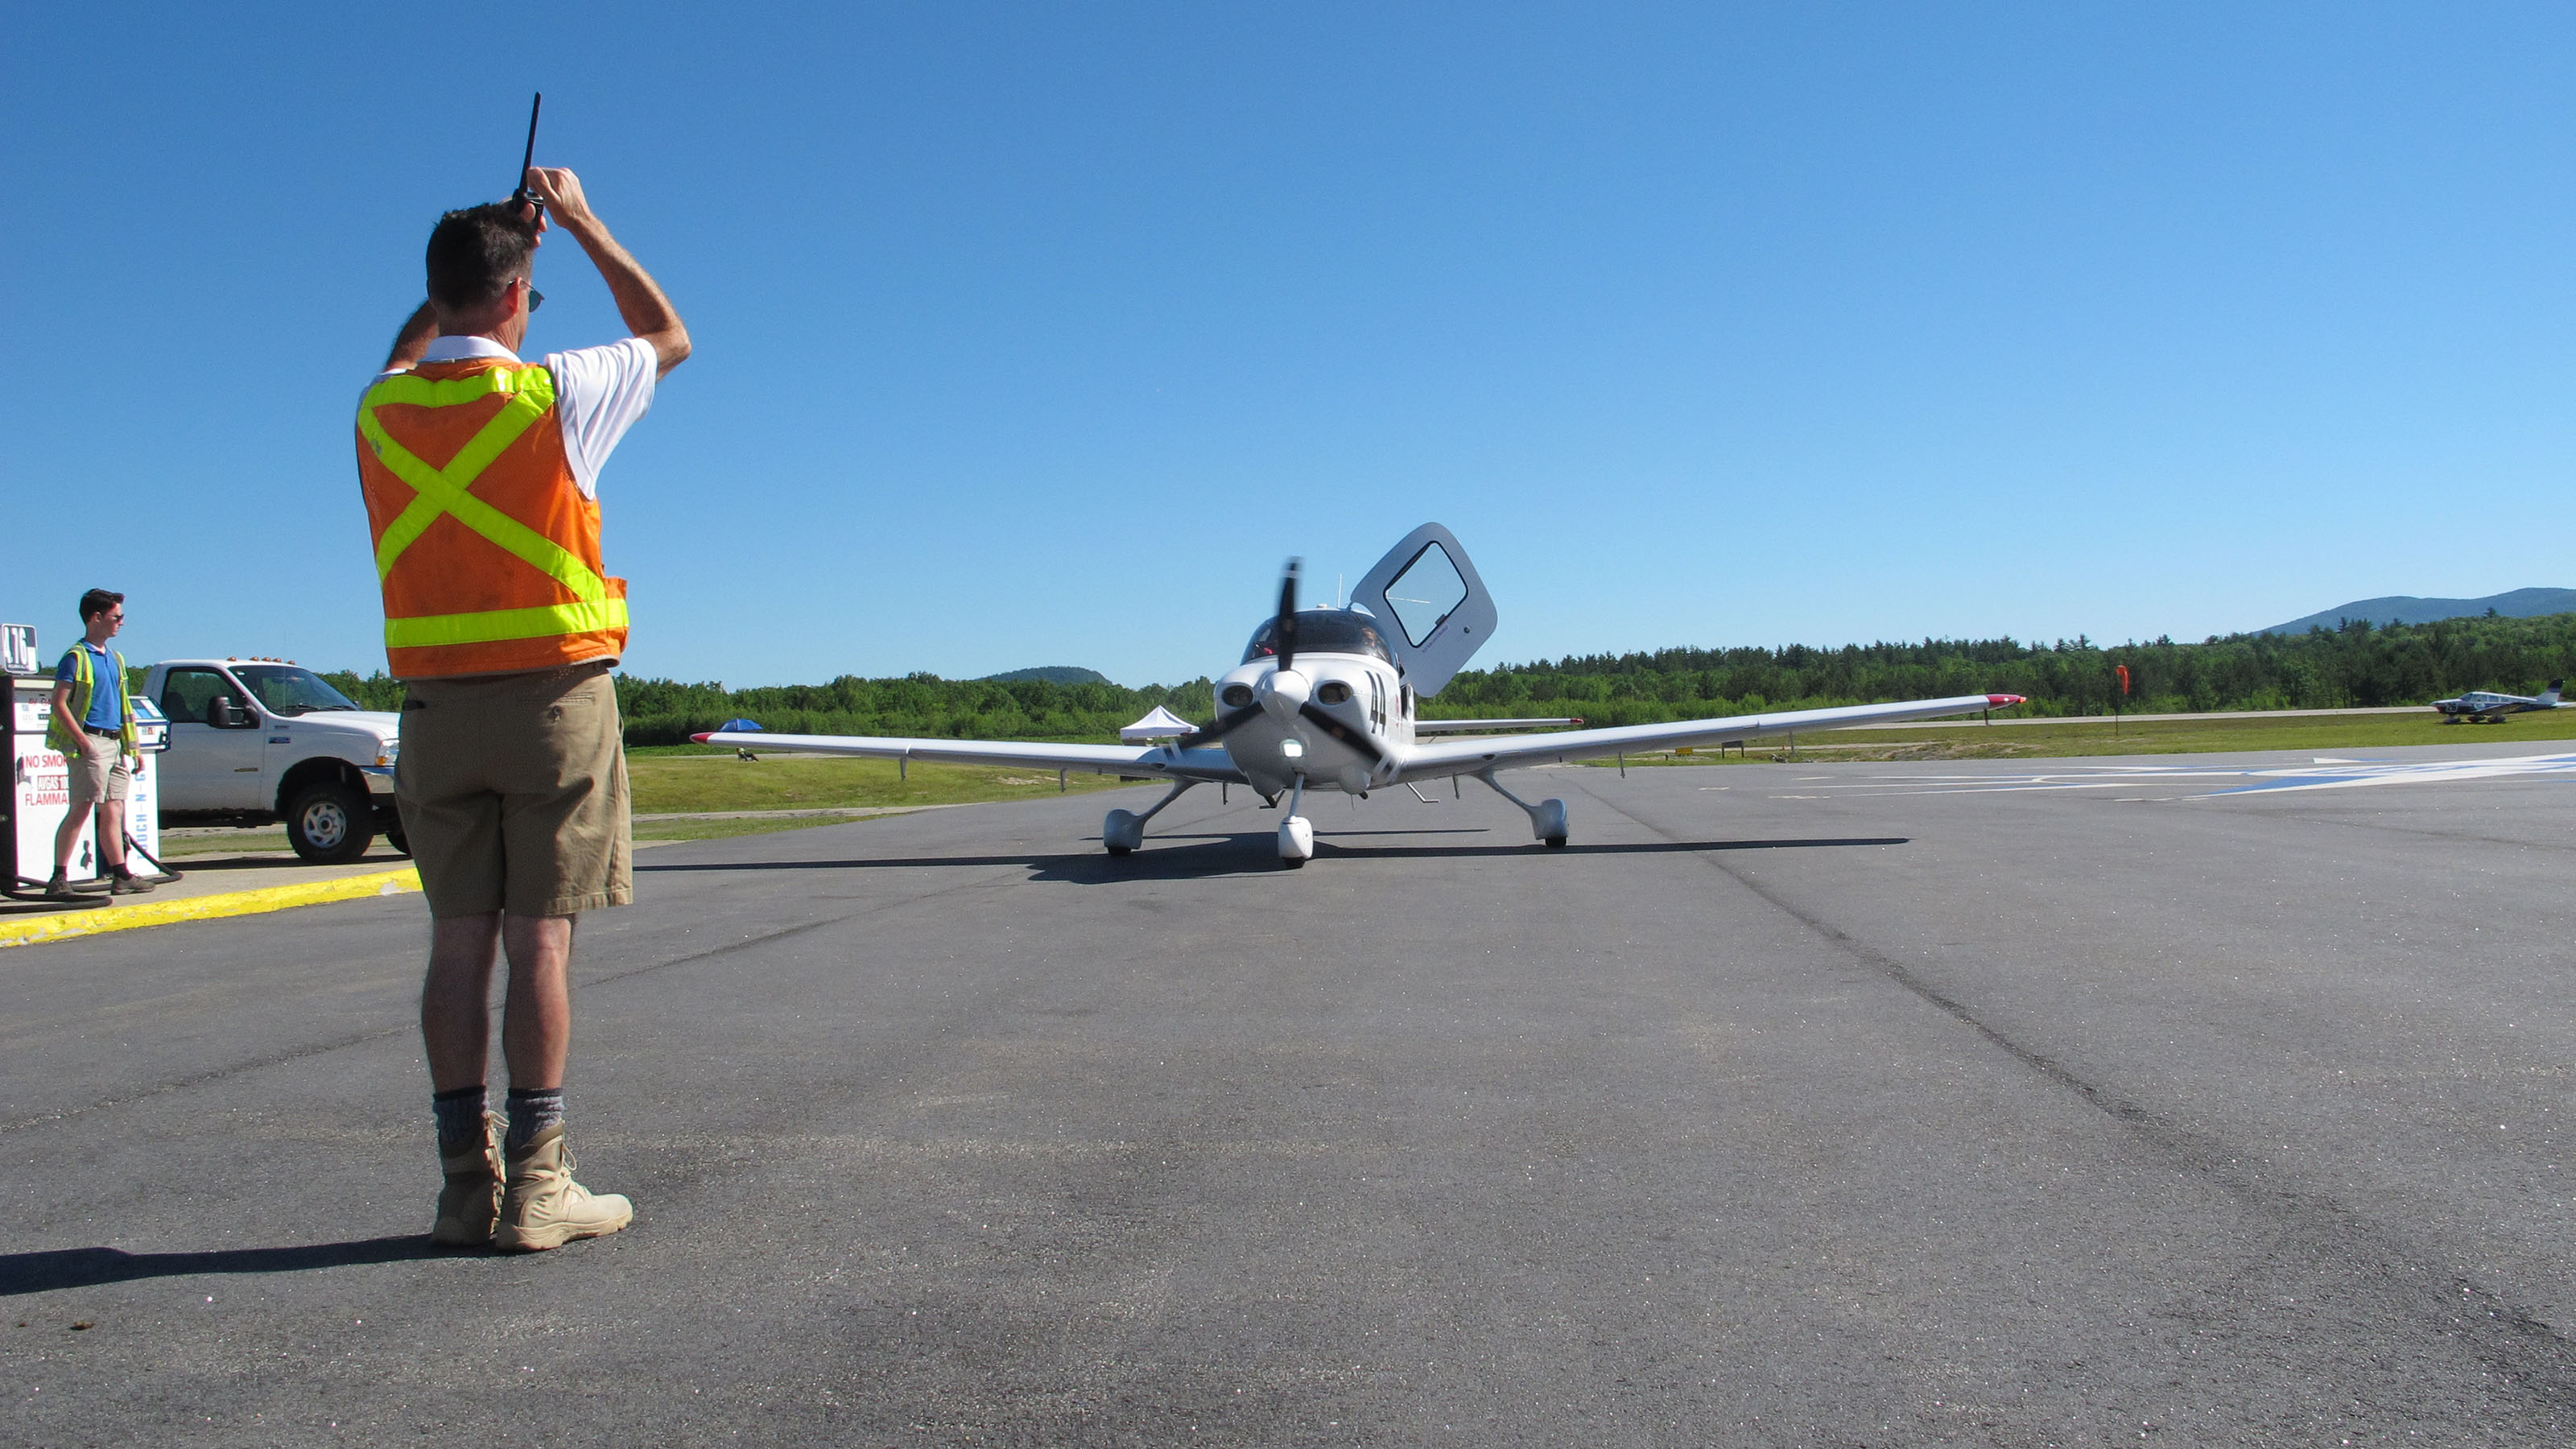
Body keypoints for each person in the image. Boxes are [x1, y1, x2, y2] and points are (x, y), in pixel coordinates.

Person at [359, 164, 688, 1252]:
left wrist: (485, 261)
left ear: (438, 291)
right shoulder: (555, 396)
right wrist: (581, 219)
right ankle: (539, 1189)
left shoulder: (383, 407)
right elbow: (667, 333)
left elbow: (416, 345)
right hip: (552, 700)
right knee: (540, 940)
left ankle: (465, 1186)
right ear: (519, 298)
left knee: (459, 943)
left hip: (433, 714)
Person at [45, 588, 152, 900]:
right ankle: (59, 878)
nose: (121, 622)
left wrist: (134, 749)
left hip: (115, 742)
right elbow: (59, 703)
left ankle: (121, 874)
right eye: (116, 617)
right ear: (96, 618)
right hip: (90, 742)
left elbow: (123, 707)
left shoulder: (116, 659)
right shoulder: (76, 657)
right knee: (82, 808)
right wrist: (82, 741)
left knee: (114, 808)